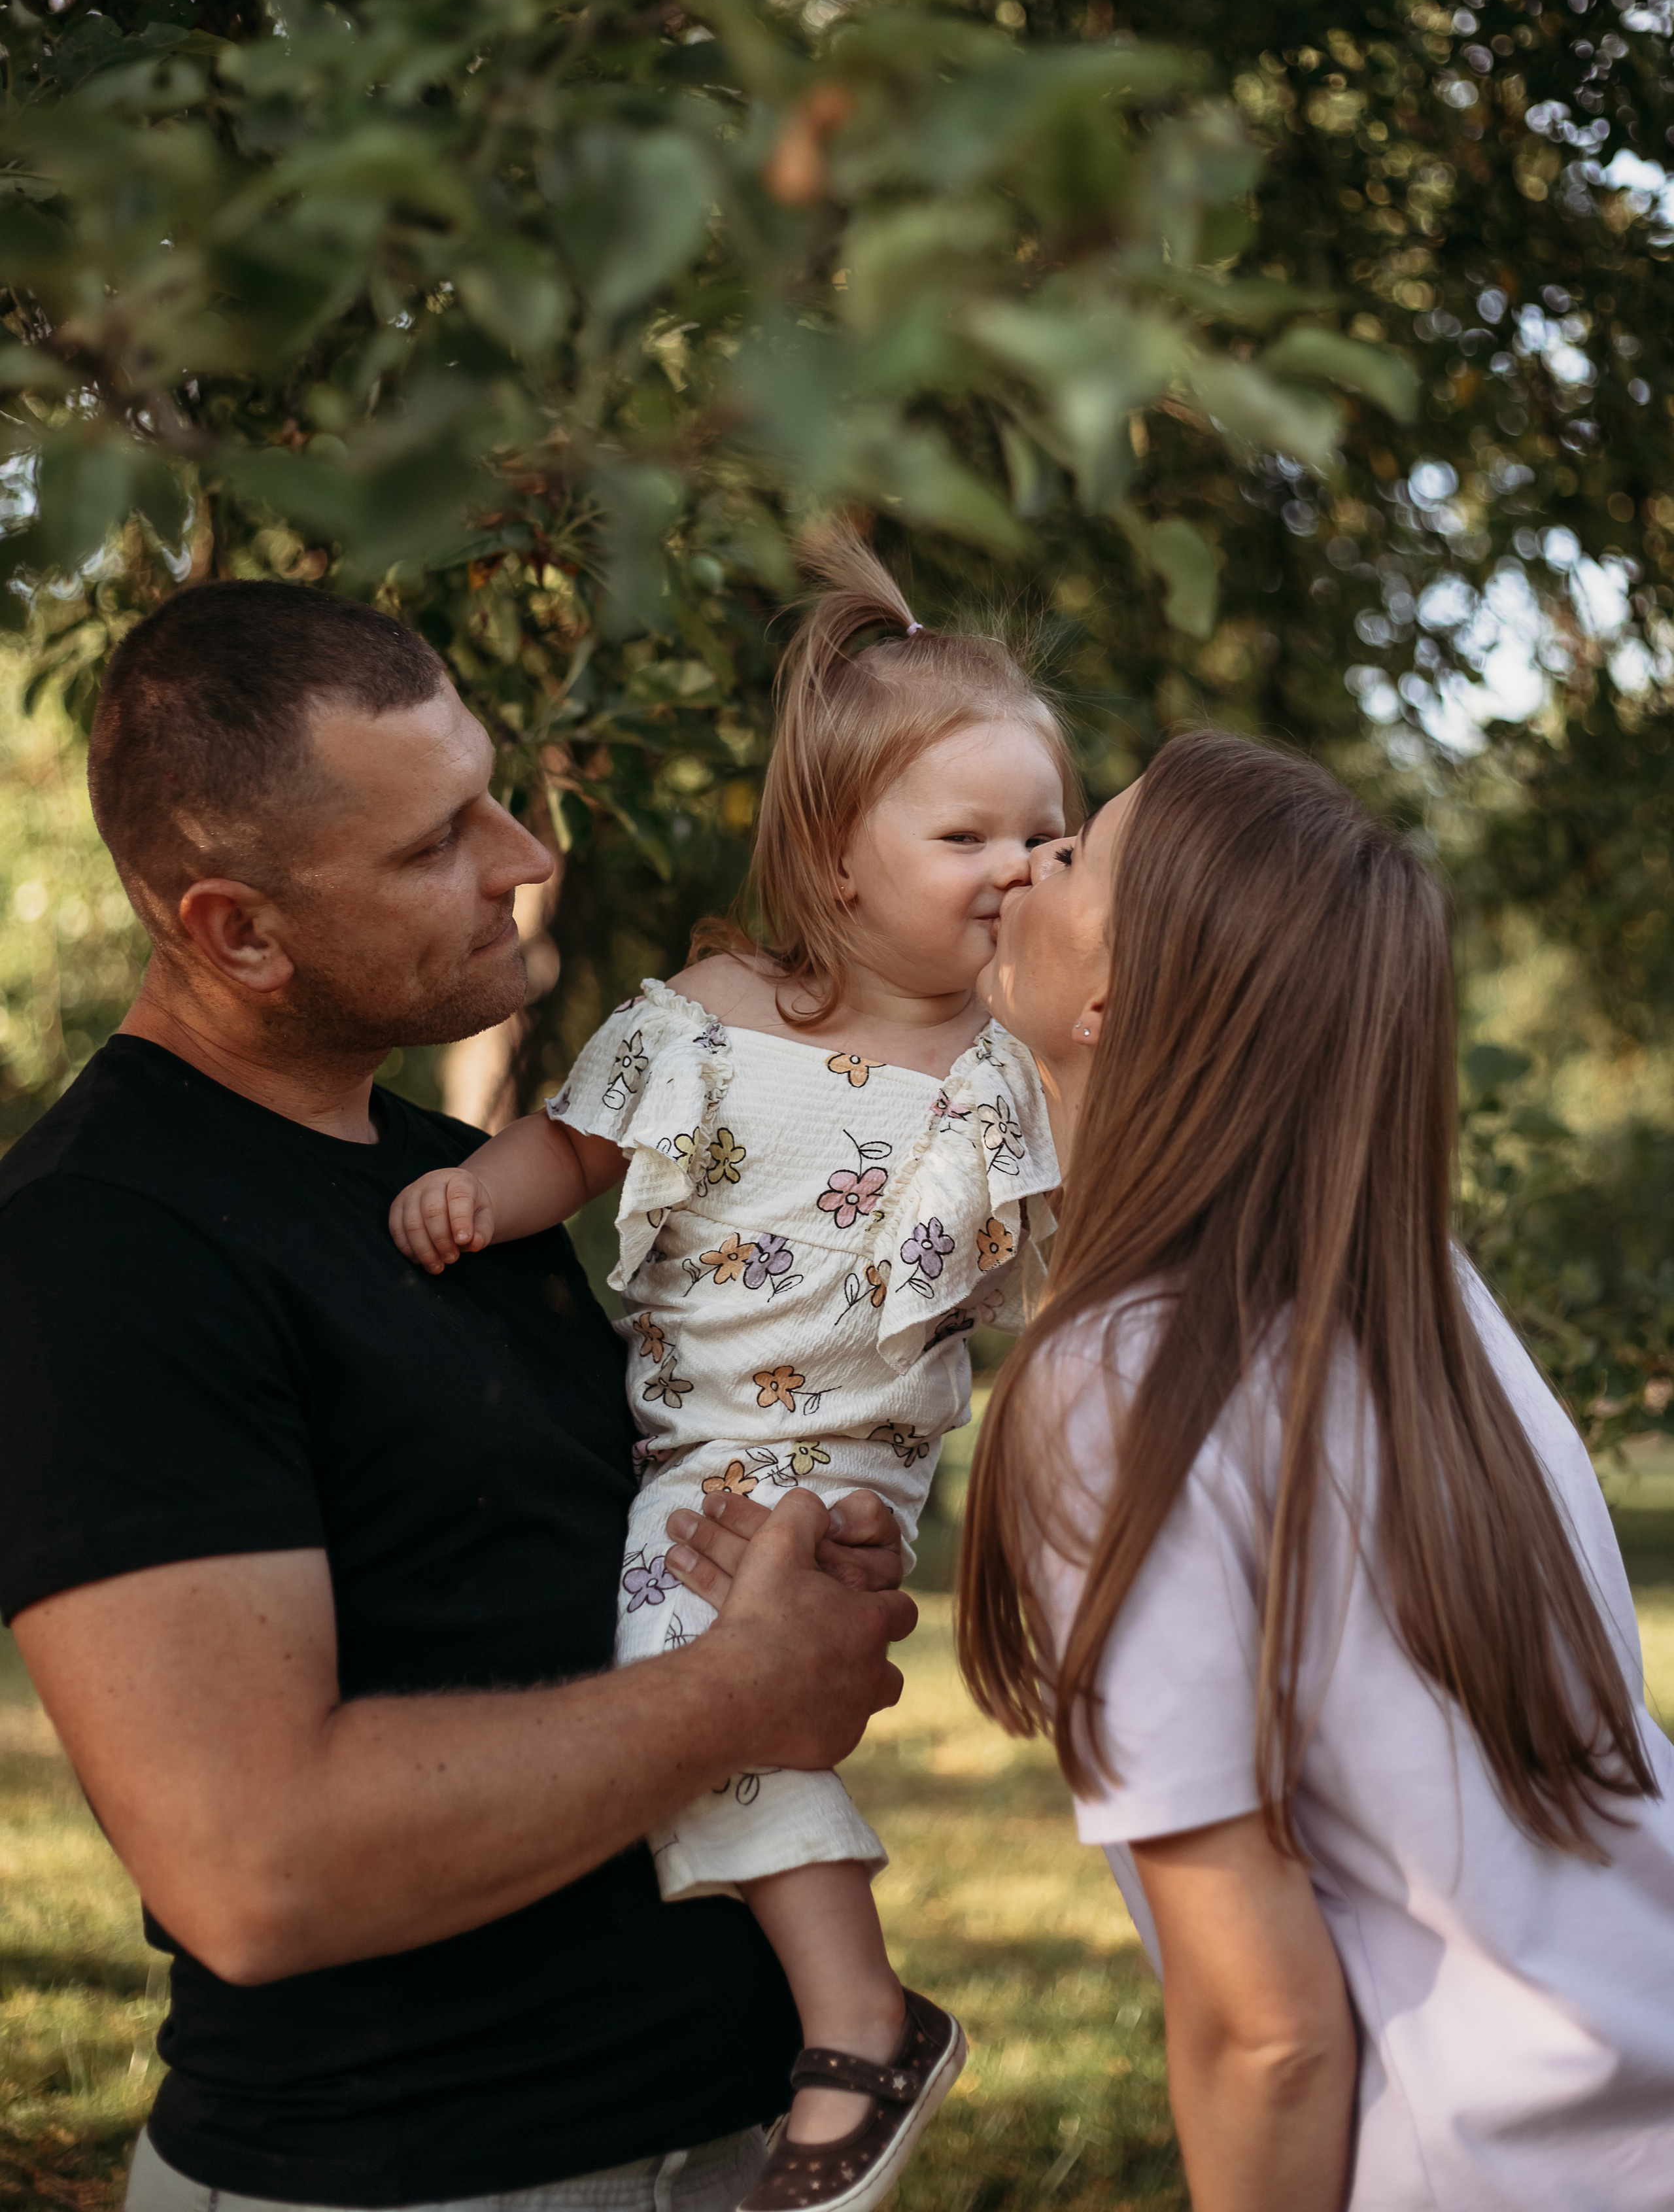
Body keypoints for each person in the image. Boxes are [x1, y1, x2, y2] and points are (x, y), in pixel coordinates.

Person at [0, 578, 918, 2212]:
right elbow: (250, 1865)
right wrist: (742, 1693)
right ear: (237, 930)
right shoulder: (100, 1242)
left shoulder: (450, 1183)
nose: (523, 855)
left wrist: (776, 1572)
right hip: (416, 2175)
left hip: (730, 2137)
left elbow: (566, 1596)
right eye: (434, 843)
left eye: (492, 792)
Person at [388, 531, 1073, 2212]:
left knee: (697, 1662)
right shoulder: (710, 1016)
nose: (1020, 872)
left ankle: (855, 2018)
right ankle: (840, 2007)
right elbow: (576, 1143)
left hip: (854, 1457)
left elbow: (1062, 1276)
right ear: (837, 862)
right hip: (701, 1444)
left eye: (1048, 840)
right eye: (966, 834)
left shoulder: (1004, 1077)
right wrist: (490, 1192)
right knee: (696, 1687)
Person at [959, 729, 1674, 2212]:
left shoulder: (1116, 1382)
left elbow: (1265, 2034)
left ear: (1110, 1001)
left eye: (1077, 851)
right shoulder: (1429, 1301)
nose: (1029, 860)